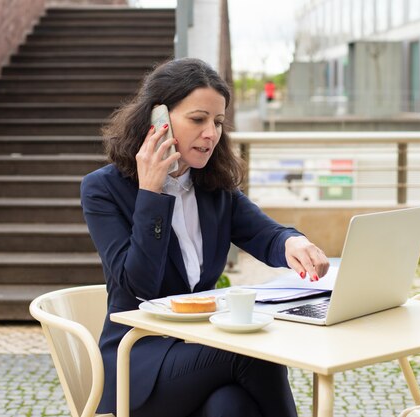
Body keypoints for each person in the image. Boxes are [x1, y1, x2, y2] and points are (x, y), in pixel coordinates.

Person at [81, 57, 330, 417]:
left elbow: (267, 234)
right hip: (139, 364)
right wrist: (152, 194)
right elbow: (138, 286)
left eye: (217, 122)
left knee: (230, 407)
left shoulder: (213, 187)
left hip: (200, 349)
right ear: (158, 119)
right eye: (198, 120)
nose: (211, 134)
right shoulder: (102, 190)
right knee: (252, 351)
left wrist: (294, 243)